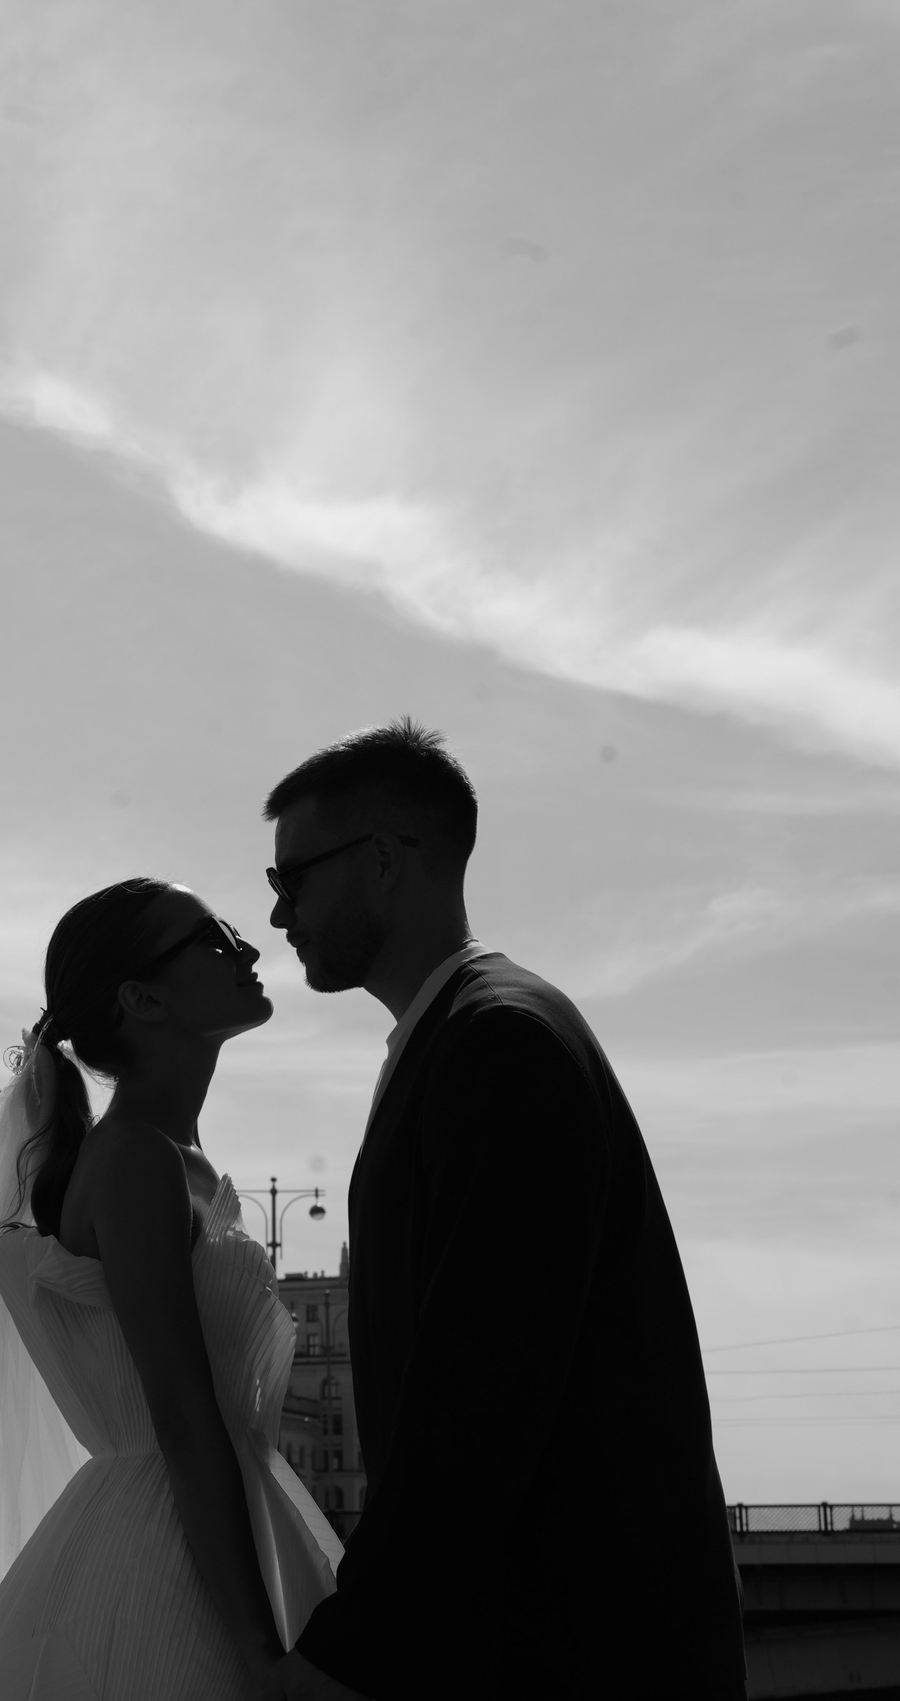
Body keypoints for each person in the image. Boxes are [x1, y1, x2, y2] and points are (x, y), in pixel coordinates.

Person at [255, 721, 745, 1701]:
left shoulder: (496, 1046)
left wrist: (347, 1652)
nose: (278, 915)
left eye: (291, 877)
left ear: (384, 860)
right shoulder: (475, 1031)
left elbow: (479, 1391)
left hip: (568, 1651)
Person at [0, 879, 343, 1700]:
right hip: (171, 1570)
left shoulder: (171, 1156)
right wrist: (260, 1656)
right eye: (214, 937)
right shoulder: (135, 1161)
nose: (248, 948)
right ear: (141, 997)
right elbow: (185, 1418)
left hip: (213, 1533)